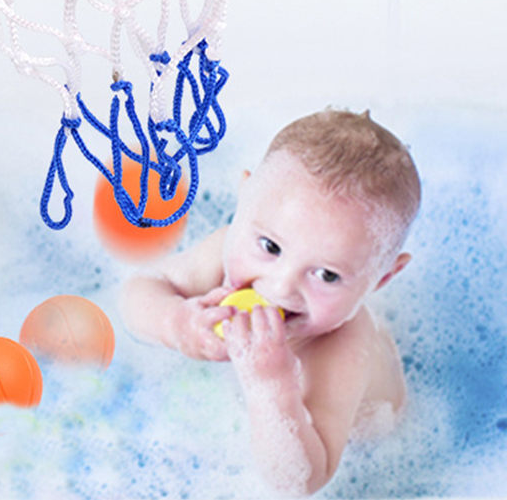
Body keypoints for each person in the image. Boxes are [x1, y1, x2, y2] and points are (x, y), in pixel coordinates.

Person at [121, 109, 420, 496]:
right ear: (243, 198)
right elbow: (139, 290)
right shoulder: (224, 248)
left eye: (327, 275)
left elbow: (303, 480)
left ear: (382, 279)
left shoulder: (344, 345)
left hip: (371, 438)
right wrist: (175, 323)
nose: (279, 287)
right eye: (270, 246)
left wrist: (272, 386)